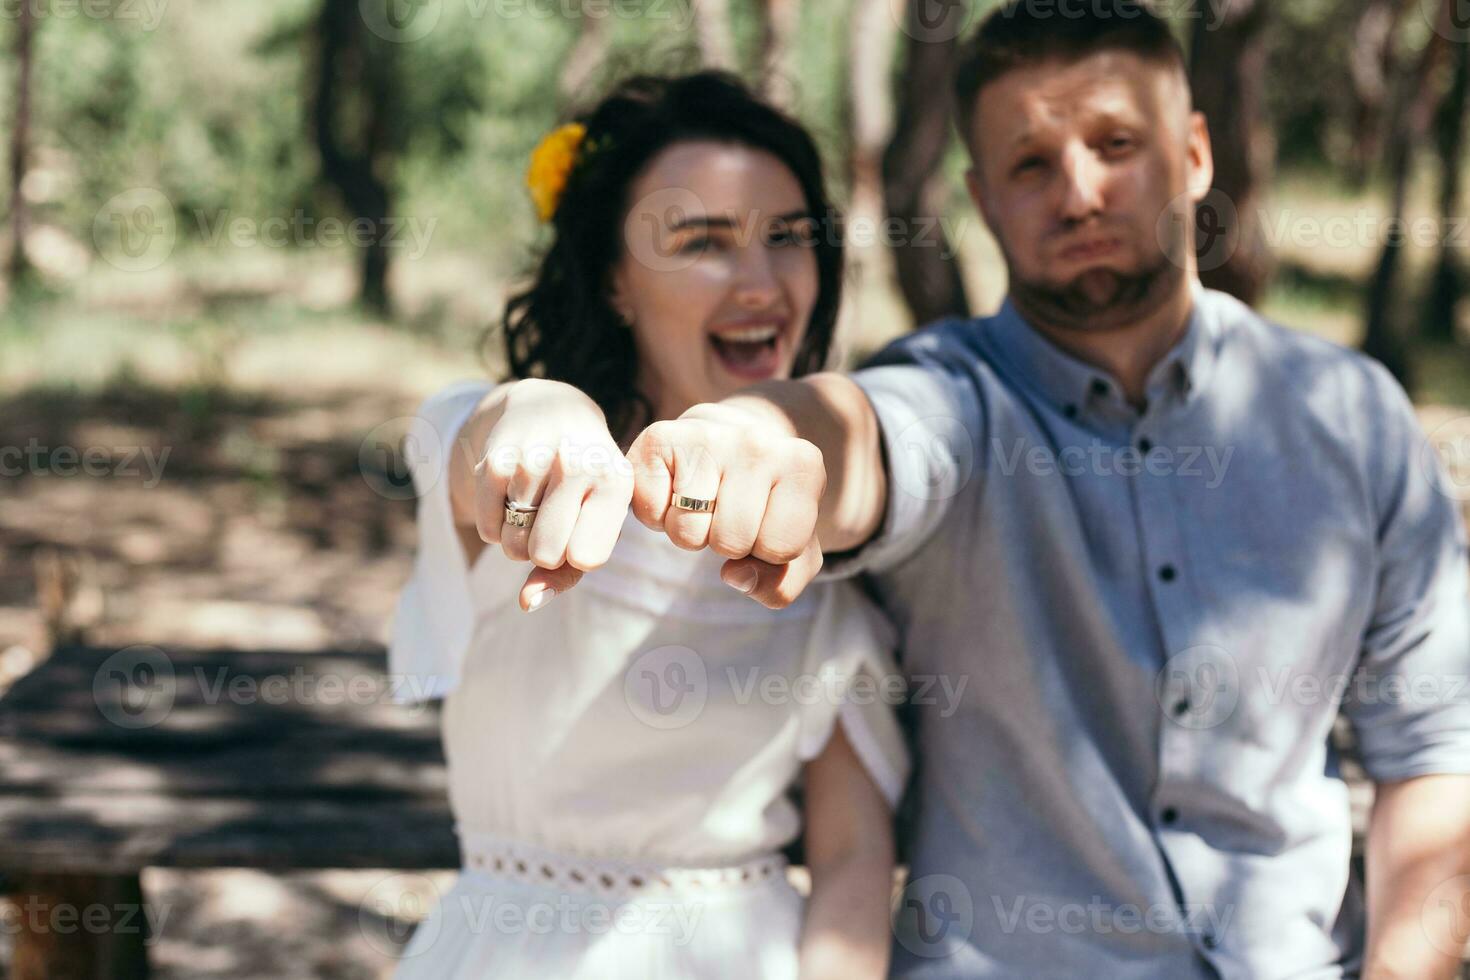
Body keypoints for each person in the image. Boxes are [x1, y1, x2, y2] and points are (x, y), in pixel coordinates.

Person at [521, 3, 1470, 977]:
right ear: (980, 195)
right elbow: (865, 444)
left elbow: (1438, 746)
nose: (1080, 193)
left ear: (1193, 153)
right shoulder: (952, 398)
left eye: (1116, 144)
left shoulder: (1348, 416)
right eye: (1031, 165)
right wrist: (757, 438)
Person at [386, 71, 909, 979]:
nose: (760, 282)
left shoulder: (816, 531)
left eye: (787, 238)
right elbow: (488, 441)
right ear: (614, 283)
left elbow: (853, 860)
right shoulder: (523, 475)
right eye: (703, 241)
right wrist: (549, 418)